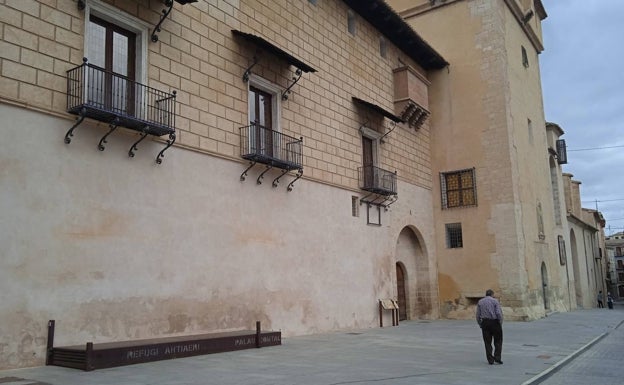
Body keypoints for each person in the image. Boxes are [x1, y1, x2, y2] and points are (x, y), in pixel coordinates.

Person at [476, 289, 504, 365]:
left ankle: (490, 359)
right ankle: (497, 358)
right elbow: (498, 313)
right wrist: (500, 322)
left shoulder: (480, 302)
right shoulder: (495, 301)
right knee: (498, 341)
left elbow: (478, 315)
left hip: (485, 322)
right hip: (494, 322)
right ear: (492, 294)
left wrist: (480, 324)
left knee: (487, 342)